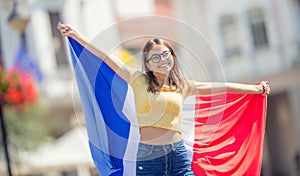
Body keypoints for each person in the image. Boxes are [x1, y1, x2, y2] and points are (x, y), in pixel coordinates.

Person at [57, 23, 270, 176]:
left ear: (172, 58)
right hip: (149, 157)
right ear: (148, 64)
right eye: (155, 58)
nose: (162, 60)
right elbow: (106, 57)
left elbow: (221, 88)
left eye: (166, 55)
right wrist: (77, 36)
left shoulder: (183, 86)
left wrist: (255, 89)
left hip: (177, 155)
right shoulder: (137, 79)